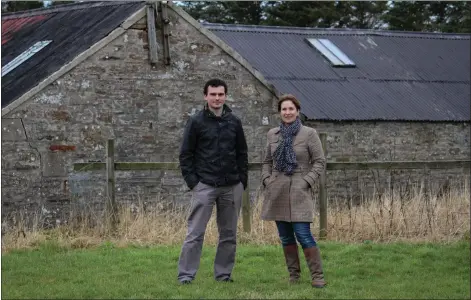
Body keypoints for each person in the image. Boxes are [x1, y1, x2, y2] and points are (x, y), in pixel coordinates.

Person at [177, 78, 248, 284]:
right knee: (195, 234)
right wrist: (194, 183)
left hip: (231, 186)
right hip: (205, 186)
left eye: (221, 94)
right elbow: (185, 155)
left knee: (228, 235)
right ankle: (186, 276)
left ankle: (223, 275)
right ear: (205, 96)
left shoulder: (234, 122)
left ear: (225, 96)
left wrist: (241, 181)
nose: (217, 98)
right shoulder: (196, 121)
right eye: (213, 94)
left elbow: (242, 153)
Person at [260, 94, 327, 288]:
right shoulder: (272, 134)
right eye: (284, 109)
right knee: (286, 237)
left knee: (303, 234)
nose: (287, 112)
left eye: (291, 109)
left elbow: (319, 161)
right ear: (280, 112)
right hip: (277, 190)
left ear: (297, 111)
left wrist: (306, 181)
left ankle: (317, 276)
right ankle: (294, 276)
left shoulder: (309, 133)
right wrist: (267, 180)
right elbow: (266, 161)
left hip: (299, 190)